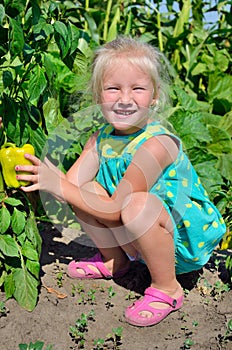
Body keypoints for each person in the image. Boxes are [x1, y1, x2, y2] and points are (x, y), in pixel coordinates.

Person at [6, 36, 226, 327]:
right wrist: (38, 176)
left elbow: (115, 209)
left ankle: (166, 286)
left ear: (155, 96)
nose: (124, 99)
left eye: (137, 88)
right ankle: (115, 261)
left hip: (179, 242)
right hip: (134, 231)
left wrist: (58, 184)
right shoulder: (100, 138)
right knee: (83, 190)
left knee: (135, 205)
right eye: (113, 89)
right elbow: (69, 190)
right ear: (98, 97)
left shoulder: (158, 143)